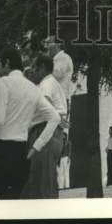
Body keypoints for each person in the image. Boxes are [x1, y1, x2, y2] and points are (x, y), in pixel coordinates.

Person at [0, 46, 59, 200]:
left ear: (6, 63)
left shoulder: (4, 82)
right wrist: (36, 146)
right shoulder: (33, 89)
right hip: (20, 153)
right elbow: (55, 117)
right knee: (8, 210)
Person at [23, 53, 66, 199]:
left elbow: (47, 110)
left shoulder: (46, 84)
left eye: (34, 67)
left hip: (44, 131)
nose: (32, 71)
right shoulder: (53, 83)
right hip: (53, 132)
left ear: (42, 68)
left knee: (42, 184)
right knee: (44, 180)